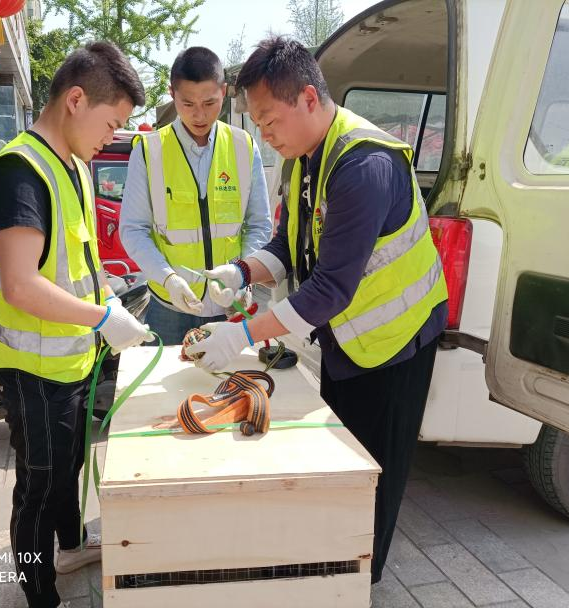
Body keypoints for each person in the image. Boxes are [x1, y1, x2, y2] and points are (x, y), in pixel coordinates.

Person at [186, 37, 449, 584]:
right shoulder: (305, 159)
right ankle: (334, 559)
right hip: (351, 339)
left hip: (398, 340)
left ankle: (361, 578)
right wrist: (238, 273)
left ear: (308, 97)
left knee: (374, 470)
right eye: (257, 124)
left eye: (269, 120)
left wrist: (241, 334)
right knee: (341, 455)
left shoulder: (363, 166)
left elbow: (330, 287)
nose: (264, 134)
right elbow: (289, 244)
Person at [0, 42, 152, 608]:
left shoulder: (72, 165)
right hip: (31, 368)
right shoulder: (19, 172)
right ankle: (40, 594)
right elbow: (23, 283)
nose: (113, 135)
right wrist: (103, 317)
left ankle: (72, 542)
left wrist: (113, 303)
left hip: (71, 358)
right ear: (76, 99)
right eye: (113, 122)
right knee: (37, 486)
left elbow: (78, 265)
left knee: (68, 468)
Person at [119, 46, 272, 345]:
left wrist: (243, 275)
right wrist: (168, 278)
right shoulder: (149, 151)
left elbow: (259, 224)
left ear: (224, 92)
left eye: (209, 102)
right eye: (187, 103)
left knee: (231, 387)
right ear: (172, 93)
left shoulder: (243, 146)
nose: (199, 114)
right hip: (170, 306)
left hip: (231, 303)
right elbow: (133, 229)